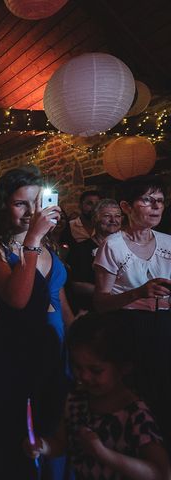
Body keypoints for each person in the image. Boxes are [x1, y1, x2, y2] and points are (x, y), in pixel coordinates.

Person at [0, 166, 72, 479]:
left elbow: (60, 302)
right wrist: (32, 239)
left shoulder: (51, 247)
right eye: (21, 203)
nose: (31, 211)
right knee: (16, 436)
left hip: (55, 345)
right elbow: (17, 299)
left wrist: (75, 343)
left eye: (36, 203)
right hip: (17, 349)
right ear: (4, 205)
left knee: (53, 427)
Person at [24, 313, 171, 480]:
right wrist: (42, 446)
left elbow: (161, 473)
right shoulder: (75, 401)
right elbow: (61, 443)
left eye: (95, 370)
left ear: (124, 367)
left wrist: (103, 454)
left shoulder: (135, 414)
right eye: (78, 367)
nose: (84, 376)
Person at [93, 176, 171, 447]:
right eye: (147, 200)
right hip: (128, 328)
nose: (156, 207)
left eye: (160, 201)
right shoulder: (113, 245)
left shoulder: (168, 242)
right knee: (136, 399)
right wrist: (138, 293)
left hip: (164, 327)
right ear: (126, 206)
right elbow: (100, 303)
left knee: (163, 398)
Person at [67, 199, 122, 314]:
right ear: (95, 219)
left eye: (117, 216)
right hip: (93, 310)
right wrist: (116, 294)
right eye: (107, 216)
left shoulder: (126, 247)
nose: (113, 220)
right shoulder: (80, 249)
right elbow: (76, 285)